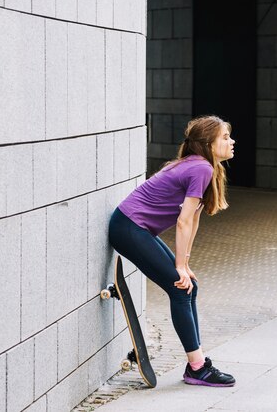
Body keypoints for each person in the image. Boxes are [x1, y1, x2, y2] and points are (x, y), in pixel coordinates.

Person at [108, 115, 236, 387]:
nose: (231, 141)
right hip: (129, 228)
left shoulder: (202, 167)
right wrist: (179, 267)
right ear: (209, 144)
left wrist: (185, 263)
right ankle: (197, 367)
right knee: (180, 287)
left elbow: (194, 217)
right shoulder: (201, 168)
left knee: (189, 286)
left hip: (134, 227)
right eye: (225, 137)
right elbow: (183, 221)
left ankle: (198, 363)